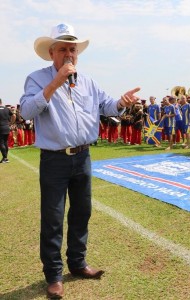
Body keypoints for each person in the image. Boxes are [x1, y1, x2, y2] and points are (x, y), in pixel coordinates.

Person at [19, 23, 139, 299]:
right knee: (53, 218)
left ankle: (77, 263)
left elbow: (107, 106)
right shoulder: (36, 79)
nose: (69, 53)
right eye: (63, 48)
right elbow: (26, 111)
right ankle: (53, 275)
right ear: (52, 53)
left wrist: (121, 102)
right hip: (55, 160)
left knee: (82, 212)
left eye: (73, 49)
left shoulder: (88, 81)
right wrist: (55, 82)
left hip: (83, 156)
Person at [0, 98, 16, 163]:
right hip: (6, 127)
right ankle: (5, 157)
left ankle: (5, 158)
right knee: (5, 142)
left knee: (1, 143)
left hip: (0, 127)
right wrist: (11, 123)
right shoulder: (7, 109)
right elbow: (14, 115)